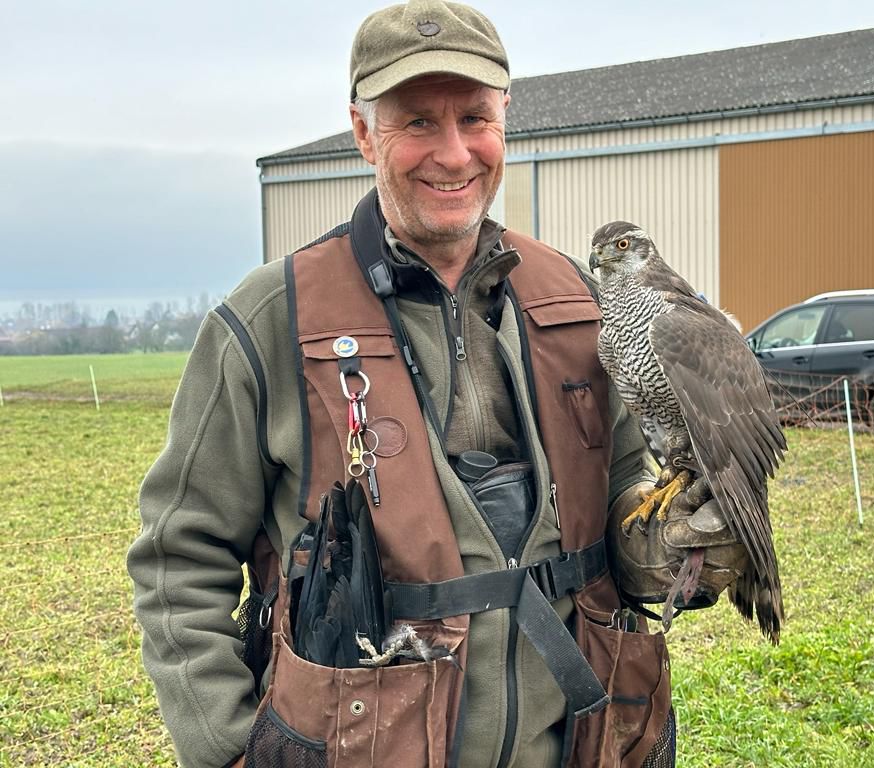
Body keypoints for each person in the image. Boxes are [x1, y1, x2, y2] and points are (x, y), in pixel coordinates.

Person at [128, 2, 733, 766]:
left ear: (504, 119)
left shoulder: (576, 300)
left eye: (475, 118)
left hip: (583, 743)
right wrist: (226, 747)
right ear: (362, 132)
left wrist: (666, 547)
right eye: (418, 121)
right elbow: (178, 556)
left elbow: (616, 490)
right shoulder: (271, 321)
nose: (454, 154)